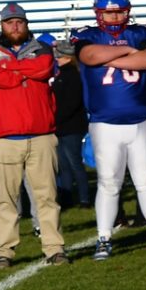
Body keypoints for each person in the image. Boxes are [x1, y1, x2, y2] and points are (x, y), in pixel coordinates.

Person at [72, 0, 146, 259]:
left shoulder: (140, 33)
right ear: (98, 13)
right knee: (108, 182)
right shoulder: (87, 35)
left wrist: (113, 56)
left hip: (142, 119)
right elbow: (88, 56)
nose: (115, 18)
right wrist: (127, 53)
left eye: (119, 12)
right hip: (105, 122)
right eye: (109, 13)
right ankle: (104, 239)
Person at [0, 3, 65, 267]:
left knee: (47, 196)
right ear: (1, 25)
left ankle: (54, 248)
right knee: (6, 199)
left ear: (26, 24)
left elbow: (43, 68)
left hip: (42, 136)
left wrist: (9, 71)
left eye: (19, 22)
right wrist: (22, 72)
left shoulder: (42, 48)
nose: (15, 26)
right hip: (4, 138)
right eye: (9, 22)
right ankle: (5, 250)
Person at [49, 40, 89, 209]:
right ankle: (67, 197)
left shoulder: (72, 76)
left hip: (71, 126)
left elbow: (71, 103)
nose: (57, 59)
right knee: (64, 164)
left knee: (74, 163)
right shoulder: (64, 75)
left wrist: (56, 119)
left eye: (60, 56)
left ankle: (84, 198)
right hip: (64, 126)